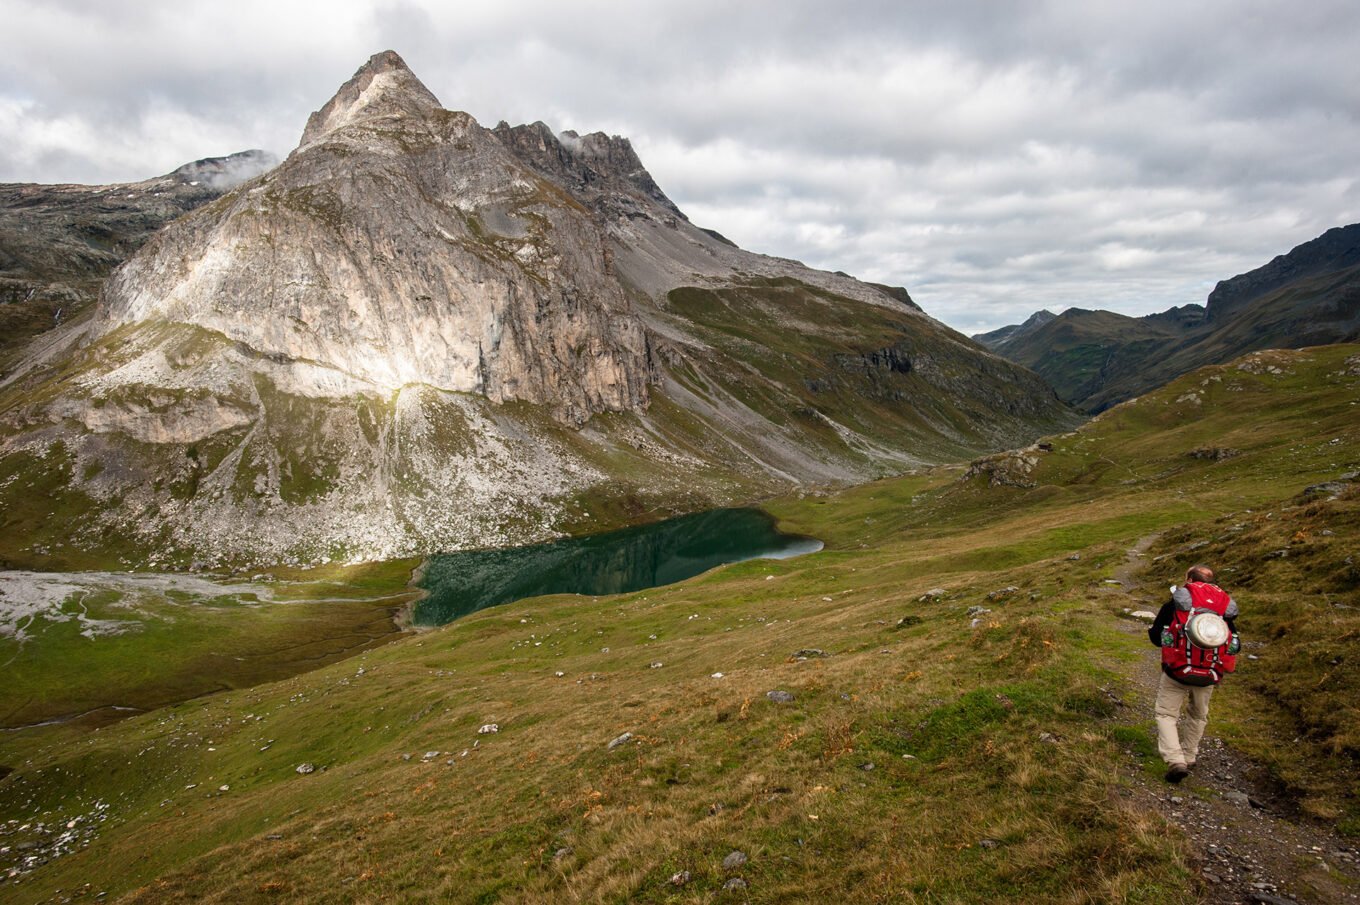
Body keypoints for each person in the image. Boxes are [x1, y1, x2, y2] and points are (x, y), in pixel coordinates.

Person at [1147, 564, 1240, 783]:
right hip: (1209, 671)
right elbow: (1235, 643)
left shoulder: (1177, 603)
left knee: (1166, 714)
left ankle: (1175, 759)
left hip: (1176, 671)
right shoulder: (1223, 608)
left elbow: (1155, 637)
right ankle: (1189, 756)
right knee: (1198, 714)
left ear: (1188, 579)